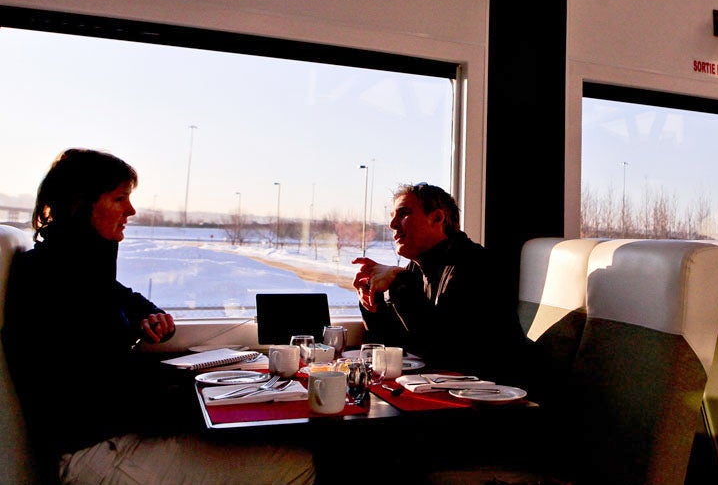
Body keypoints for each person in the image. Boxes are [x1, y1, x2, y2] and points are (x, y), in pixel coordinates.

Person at [2, 149, 315, 484]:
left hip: (112, 433)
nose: (131, 210)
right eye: (119, 199)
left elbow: (124, 298)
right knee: (298, 465)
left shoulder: (78, 266)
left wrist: (148, 317)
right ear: (80, 204)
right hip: (94, 450)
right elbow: (97, 385)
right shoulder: (52, 277)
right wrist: (197, 397)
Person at [353, 183, 527, 384]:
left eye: (403, 214)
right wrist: (373, 300)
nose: (392, 224)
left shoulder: (477, 265)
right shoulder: (417, 268)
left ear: (437, 218)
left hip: (492, 391)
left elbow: (443, 351)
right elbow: (401, 344)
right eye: (392, 216)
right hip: (448, 386)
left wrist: (399, 283)